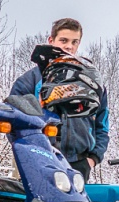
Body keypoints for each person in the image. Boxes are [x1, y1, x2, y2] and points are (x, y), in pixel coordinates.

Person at [10, 18, 109, 181]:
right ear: (51, 41)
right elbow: (13, 122)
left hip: (78, 163)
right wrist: (29, 153)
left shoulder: (92, 83)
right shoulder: (29, 80)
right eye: (63, 40)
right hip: (37, 159)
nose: (69, 46)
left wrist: (93, 159)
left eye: (74, 42)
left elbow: (102, 124)